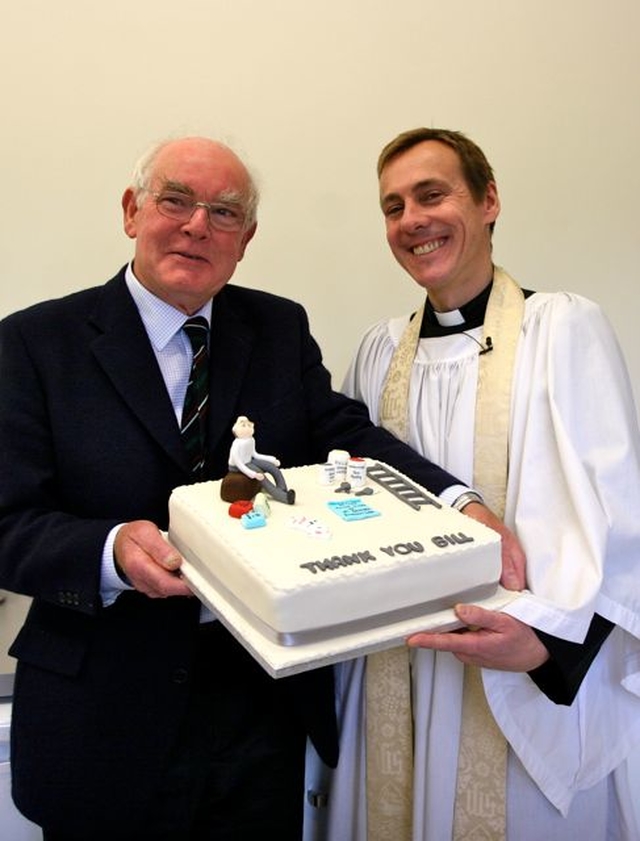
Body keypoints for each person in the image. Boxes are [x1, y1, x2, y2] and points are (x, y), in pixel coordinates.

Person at [0, 135, 521, 841]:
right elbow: (8, 522)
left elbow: (349, 435)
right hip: (101, 718)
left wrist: (460, 503)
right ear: (132, 211)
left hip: (258, 721)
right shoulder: (33, 344)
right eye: (175, 201)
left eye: (224, 212)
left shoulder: (276, 327)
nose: (197, 226)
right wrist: (111, 549)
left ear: (246, 238)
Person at [322, 128, 640, 840]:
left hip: (521, 670)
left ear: (489, 200)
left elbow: (620, 517)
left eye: (432, 194)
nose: (411, 220)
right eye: (393, 206)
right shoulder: (378, 352)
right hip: (395, 667)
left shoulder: (561, 327)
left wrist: (550, 647)